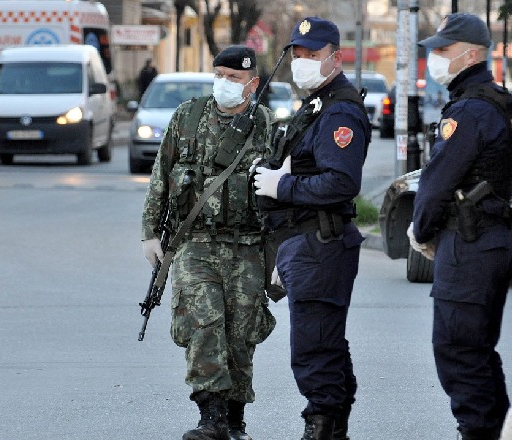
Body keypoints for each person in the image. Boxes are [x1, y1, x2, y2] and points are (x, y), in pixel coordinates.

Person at [140, 45, 275, 440]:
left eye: (234, 79)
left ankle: (234, 419)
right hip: (194, 243)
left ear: (251, 84)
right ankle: (210, 417)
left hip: (248, 245)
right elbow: (160, 176)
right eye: (219, 75)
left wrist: (283, 248)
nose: (224, 84)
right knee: (203, 321)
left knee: (241, 332)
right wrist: (149, 232)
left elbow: (281, 187)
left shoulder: (265, 124)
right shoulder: (187, 116)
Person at [253, 17, 371, 440]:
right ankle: (333, 426)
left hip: (319, 244)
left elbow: (341, 182)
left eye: (312, 54)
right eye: (297, 53)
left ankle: (322, 428)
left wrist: (280, 185)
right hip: (302, 243)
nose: (302, 61)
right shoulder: (317, 104)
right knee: (325, 344)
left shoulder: (339, 110)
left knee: (314, 348)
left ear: (335, 58)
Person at [409, 13, 512, 440]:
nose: (436, 58)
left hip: (471, 243)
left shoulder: (470, 109)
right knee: (477, 352)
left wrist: (420, 231)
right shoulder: (496, 100)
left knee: (457, 351)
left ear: (472, 53)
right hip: (493, 238)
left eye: (443, 50)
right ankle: (498, 431)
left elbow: (438, 182)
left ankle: (478, 432)